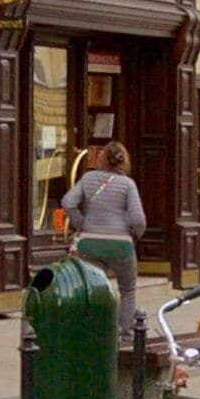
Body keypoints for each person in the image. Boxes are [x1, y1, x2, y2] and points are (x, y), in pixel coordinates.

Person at [59, 140, 151, 345]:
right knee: (127, 289)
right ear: (123, 161)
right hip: (120, 244)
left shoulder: (88, 178)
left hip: (90, 243)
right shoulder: (128, 185)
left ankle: (92, 332)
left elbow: (67, 202)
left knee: (93, 288)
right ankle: (124, 335)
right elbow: (138, 220)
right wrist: (135, 235)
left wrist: (81, 223)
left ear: (101, 159)